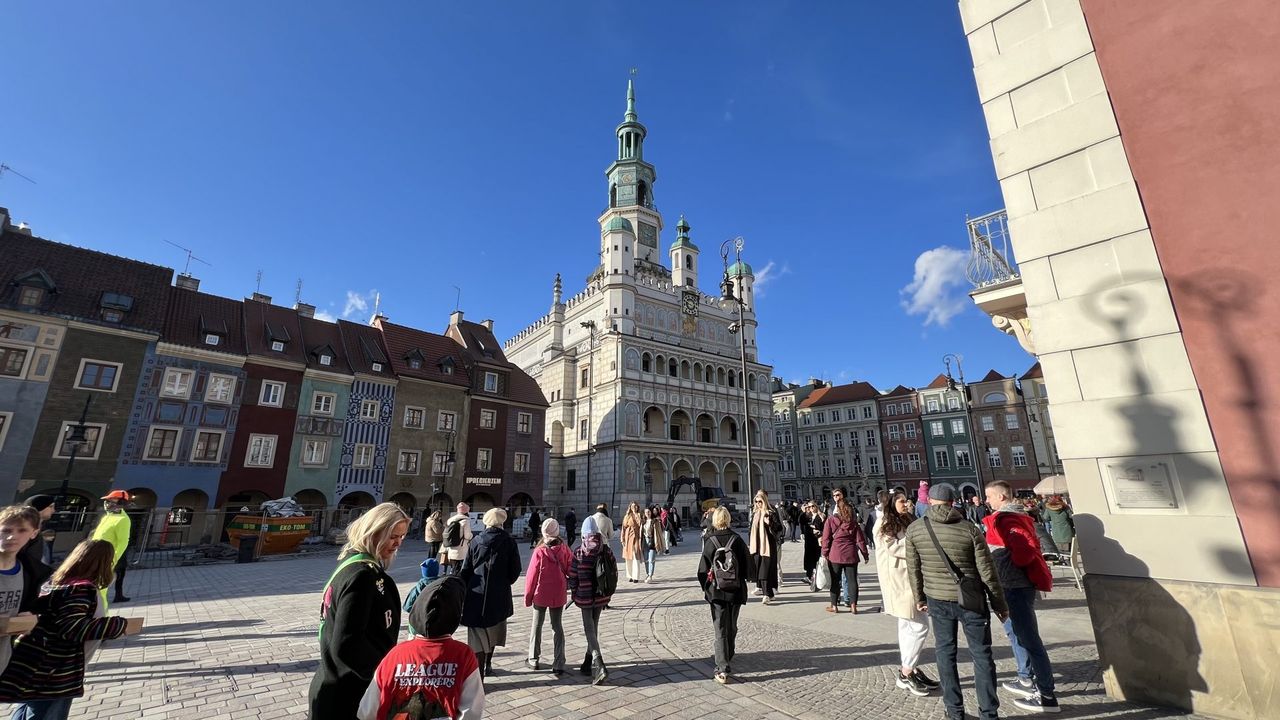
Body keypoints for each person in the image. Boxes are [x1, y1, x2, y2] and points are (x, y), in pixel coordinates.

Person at [0, 538, 142, 719]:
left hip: (36, 662)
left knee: (28, 709)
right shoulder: (80, 589)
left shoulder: (57, 583)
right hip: (55, 670)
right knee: (46, 713)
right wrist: (119, 625)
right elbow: (72, 628)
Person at [905, 485, 1008, 720]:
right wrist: (999, 604)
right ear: (953, 502)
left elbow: (914, 570)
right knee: (982, 655)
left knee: (945, 653)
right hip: (972, 599)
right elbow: (987, 571)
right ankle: (989, 713)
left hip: (937, 599)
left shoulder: (915, 529)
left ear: (929, 502)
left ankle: (954, 711)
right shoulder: (969, 529)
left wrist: (920, 598)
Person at [309, 503, 409, 720]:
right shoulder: (362, 575)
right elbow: (347, 645)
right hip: (347, 694)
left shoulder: (354, 565)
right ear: (375, 531)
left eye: (402, 537)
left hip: (337, 683)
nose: (398, 543)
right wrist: (385, 677)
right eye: (393, 536)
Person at [356, 575, 484, 720]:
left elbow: (366, 712)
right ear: (455, 615)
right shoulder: (463, 655)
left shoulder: (395, 654)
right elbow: (471, 712)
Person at [984, 482, 1060, 713]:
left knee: (1029, 639)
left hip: (1015, 585)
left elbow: (1024, 551)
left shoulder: (1006, 519)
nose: (987, 500)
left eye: (989, 496)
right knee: (1016, 633)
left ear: (1001, 496)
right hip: (1013, 585)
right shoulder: (1019, 516)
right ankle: (1025, 677)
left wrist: (1012, 566)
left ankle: (1047, 696)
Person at [874, 491, 940, 697]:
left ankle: (909, 668)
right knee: (920, 626)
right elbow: (895, 548)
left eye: (906, 500)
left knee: (907, 626)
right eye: (902, 501)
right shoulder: (883, 524)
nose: (907, 503)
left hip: (909, 579)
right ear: (892, 504)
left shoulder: (906, 519)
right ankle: (906, 671)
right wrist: (919, 540)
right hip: (899, 582)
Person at [458, 508, 522, 679]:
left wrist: (462, 588)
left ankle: (478, 675)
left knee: (477, 637)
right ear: (502, 523)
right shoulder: (509, 541)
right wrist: (503, 582)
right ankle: (488, 664)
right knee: (493, 632)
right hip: (499, 595)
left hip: (476, 594)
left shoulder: (476, 541)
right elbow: (516, 570)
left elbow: (466, 569)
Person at [697, 506, 751, 684]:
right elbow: (748, 566)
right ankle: (729, 652)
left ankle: (722, 667)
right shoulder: (737, 539)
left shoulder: (710, 541)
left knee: (720, 626)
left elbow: (702, 570)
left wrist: (707, 587)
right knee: (732, 624)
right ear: (728, 519)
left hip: (717, 591)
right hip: (735, 590)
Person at [567, 517, 615, 686]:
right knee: (594, 627)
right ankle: (587, 663)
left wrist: (574, 593)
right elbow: (613, 570)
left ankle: (599, 664)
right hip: (601, 595)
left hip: (585, 595)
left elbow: (573, 576)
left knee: (589, 629)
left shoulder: (579, 551)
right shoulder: (605, 549)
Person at [524, 518, 573, 674]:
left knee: (537, 625)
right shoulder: (565, 549)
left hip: (541, 592)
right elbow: (571, 570)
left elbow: (531, 576)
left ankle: (533, 658)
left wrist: (528, 596)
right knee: (557, 626)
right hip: (558, 592)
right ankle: (559, 662)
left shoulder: (539, 551)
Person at [0, 505, 40, 678]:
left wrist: (29, 618)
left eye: (22, 530)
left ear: (34, 533)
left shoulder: (31, 573)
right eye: (6, 530)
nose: (11, 536)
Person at [821, 492, 869, 613]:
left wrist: (825, 553)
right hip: (851, 554)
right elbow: (860, 540)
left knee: (835, 580)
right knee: (852, 580)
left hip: (835, 554)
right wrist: (865, 554)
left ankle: (834, 606)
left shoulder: (830, 520)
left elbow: (826, 539)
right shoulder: (853, 523)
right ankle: (853, 605)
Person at [91, 490, 133, 604]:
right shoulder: (107, 517)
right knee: (93, 590)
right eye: (107, 501)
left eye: (111, 500)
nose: (107, 503)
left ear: (121, 502)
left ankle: (101, 614)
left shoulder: (123, 520)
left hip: (107, 559)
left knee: (100, 591)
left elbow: (123, 542)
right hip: (95, 558)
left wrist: (113, 560)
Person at [748, 490, 782, 603]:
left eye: (760, 502)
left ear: (764, 501)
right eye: (756, 502)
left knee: (765, 570)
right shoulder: (755, 514)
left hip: (767, 546)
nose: (758, 504)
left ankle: (767, 594)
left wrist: (769, 523)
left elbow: (779, 528)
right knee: (759, 569)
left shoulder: (770, 513)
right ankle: (769, 594)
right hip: (756, 546)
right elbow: (751, 530)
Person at [18, 495, 56, 583]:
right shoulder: (23, 530)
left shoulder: (41, 530)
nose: (54, 510)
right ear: (40, 507)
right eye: (51, 506)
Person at [441, 503, 473, 576]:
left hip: (451, 547)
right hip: (461, 548)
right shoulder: (465, 521)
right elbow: (467, 536)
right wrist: (472, 535)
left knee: (454, 566)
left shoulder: (450, 520)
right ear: (466, 511)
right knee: (460, 569)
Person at [800, 502, 824, 587]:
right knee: (809, 558)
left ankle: (816, 576)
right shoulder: (808, 516)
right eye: (809, 507)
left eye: (812, 506)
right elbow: (801, 521)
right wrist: (803, 511)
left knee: (816, 559)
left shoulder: (820, 515)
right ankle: (809, 575)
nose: (811, 508)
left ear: (816, 506)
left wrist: (819, 530)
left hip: (817, 541)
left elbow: (824, 527)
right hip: (809, 540)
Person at [641, 507, 667, 582]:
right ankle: (647, 573)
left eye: (649, 512)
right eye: (646, 512)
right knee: (646, 559)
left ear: (651, 512)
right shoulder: (643, 522)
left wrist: (661, 544)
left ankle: (650, 575)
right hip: (645, 542)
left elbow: (659, 533)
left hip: (652, 541)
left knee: (651, 559)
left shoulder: (655, 521)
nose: (647, 513)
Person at [619, 502, 643, 583]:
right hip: (628, 537)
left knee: (636, 557)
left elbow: (640, 524)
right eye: (633, 506)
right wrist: (622, 539)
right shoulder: (627, 516)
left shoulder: (639, 515)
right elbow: (623, 527)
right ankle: (630, 575)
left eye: (636, 506)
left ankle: (636, 576)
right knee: (628, 557)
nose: (634, 507)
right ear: (630, 507)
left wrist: (636, 515)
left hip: (636, 537)